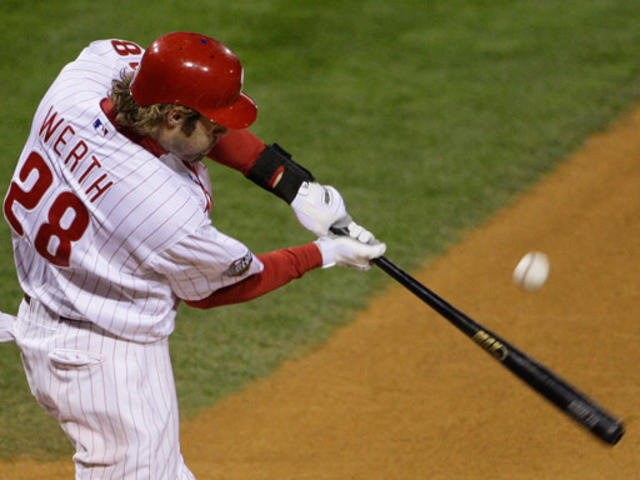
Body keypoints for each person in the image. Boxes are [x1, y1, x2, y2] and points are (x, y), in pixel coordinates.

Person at [1, 32, 385, 479]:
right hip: (105, 367)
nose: (224, 131)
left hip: (58, 318)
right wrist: (323, 253)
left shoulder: (83, 81)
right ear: (174, 115)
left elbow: (173, 106)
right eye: (215, 123)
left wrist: (288, 182)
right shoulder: (159, 205)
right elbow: (225, 285)